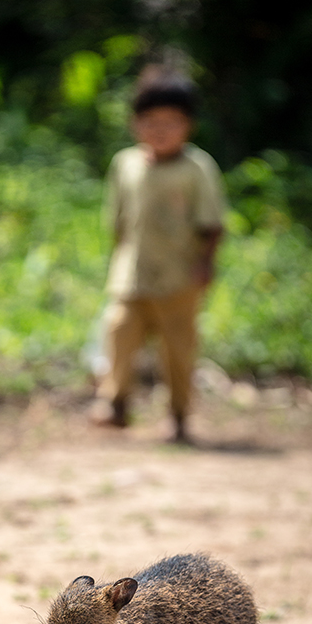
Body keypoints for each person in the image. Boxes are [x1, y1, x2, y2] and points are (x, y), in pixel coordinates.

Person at [90, 66, 226, 443]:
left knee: (178, 351)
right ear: (136, 124)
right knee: (118, 333)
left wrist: (205, 264)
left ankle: (179, 416)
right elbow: (117, 221)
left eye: (171, 121)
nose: (160, 129)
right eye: (151, 121)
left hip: (179, 278)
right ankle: (115, 403)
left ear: (188, 125)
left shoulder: (197, 168)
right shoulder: (125, 164)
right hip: (131, 275)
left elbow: (212, 223)